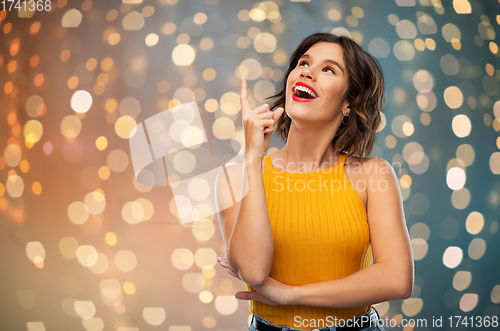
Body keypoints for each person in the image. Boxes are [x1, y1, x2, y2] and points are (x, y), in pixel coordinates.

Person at [215, 32, 414, 331]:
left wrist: (292, 295)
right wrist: (253, 158)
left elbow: (397, 280)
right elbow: (255, 272)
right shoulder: (234, 176)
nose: (307, 71)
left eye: (328, 69)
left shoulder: (375, 174)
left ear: (348, 102)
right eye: (303, 63)